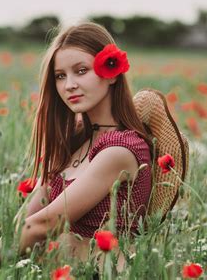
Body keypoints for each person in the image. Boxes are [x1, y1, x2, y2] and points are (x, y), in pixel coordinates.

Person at [13, 22, 188, 275]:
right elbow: (26, 220)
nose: (69, 84)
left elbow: (44, 223)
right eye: (60, 76)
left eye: (81, 71)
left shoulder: (120, 150)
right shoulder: (79, 143)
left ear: (112, 72)